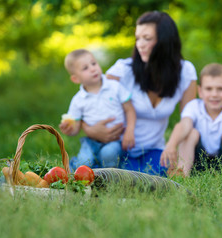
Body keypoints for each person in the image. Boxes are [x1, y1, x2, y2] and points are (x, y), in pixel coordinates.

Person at [81, 11, 197, 176]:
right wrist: (90, 130)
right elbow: (87, 101)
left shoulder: (186, 71)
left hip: (155, 151)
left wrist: (172, 145)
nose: (139, 44)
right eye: (137, 38)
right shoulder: (123, 70)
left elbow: (188, 119)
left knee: (159, 179)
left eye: (147, 39)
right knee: (118, 178)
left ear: (165, 41)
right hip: (119, 150)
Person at [160, 63, 222, 176]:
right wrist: (171, 145)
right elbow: (184, 124)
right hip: (197, 160)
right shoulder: (193, 106)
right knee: (191, 133)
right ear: (200, 91)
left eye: (220, 89)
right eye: (209, 89)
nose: (214, 94)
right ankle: (182, 172)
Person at [59, 49, 136, 172]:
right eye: (85, 68)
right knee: (84, 161)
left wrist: (130, 131)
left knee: (109, 154)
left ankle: (108, 177)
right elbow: (76, 127)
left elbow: (130, 109)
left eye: (94, 63)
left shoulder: (114, 86)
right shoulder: (78, 100)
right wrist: (69, 130)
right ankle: (78, 170)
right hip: (91, 141)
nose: (92, 69)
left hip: (115, 139)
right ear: (76, 79)